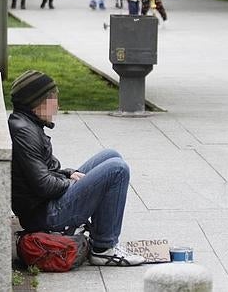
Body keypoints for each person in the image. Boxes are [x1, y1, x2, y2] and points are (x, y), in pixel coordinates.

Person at [8, 70, 146, 266]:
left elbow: (41, 172)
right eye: (53, 98)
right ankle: (103, 248)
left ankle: (101, 237)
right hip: (47, 216)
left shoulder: (26, 124)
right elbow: (43, 185)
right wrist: (71, 184)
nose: (57, 105)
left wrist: (68, 173)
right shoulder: (25, 132)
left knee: (111, 155)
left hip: (46, 205)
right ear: (36, 102)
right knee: (117, 169)